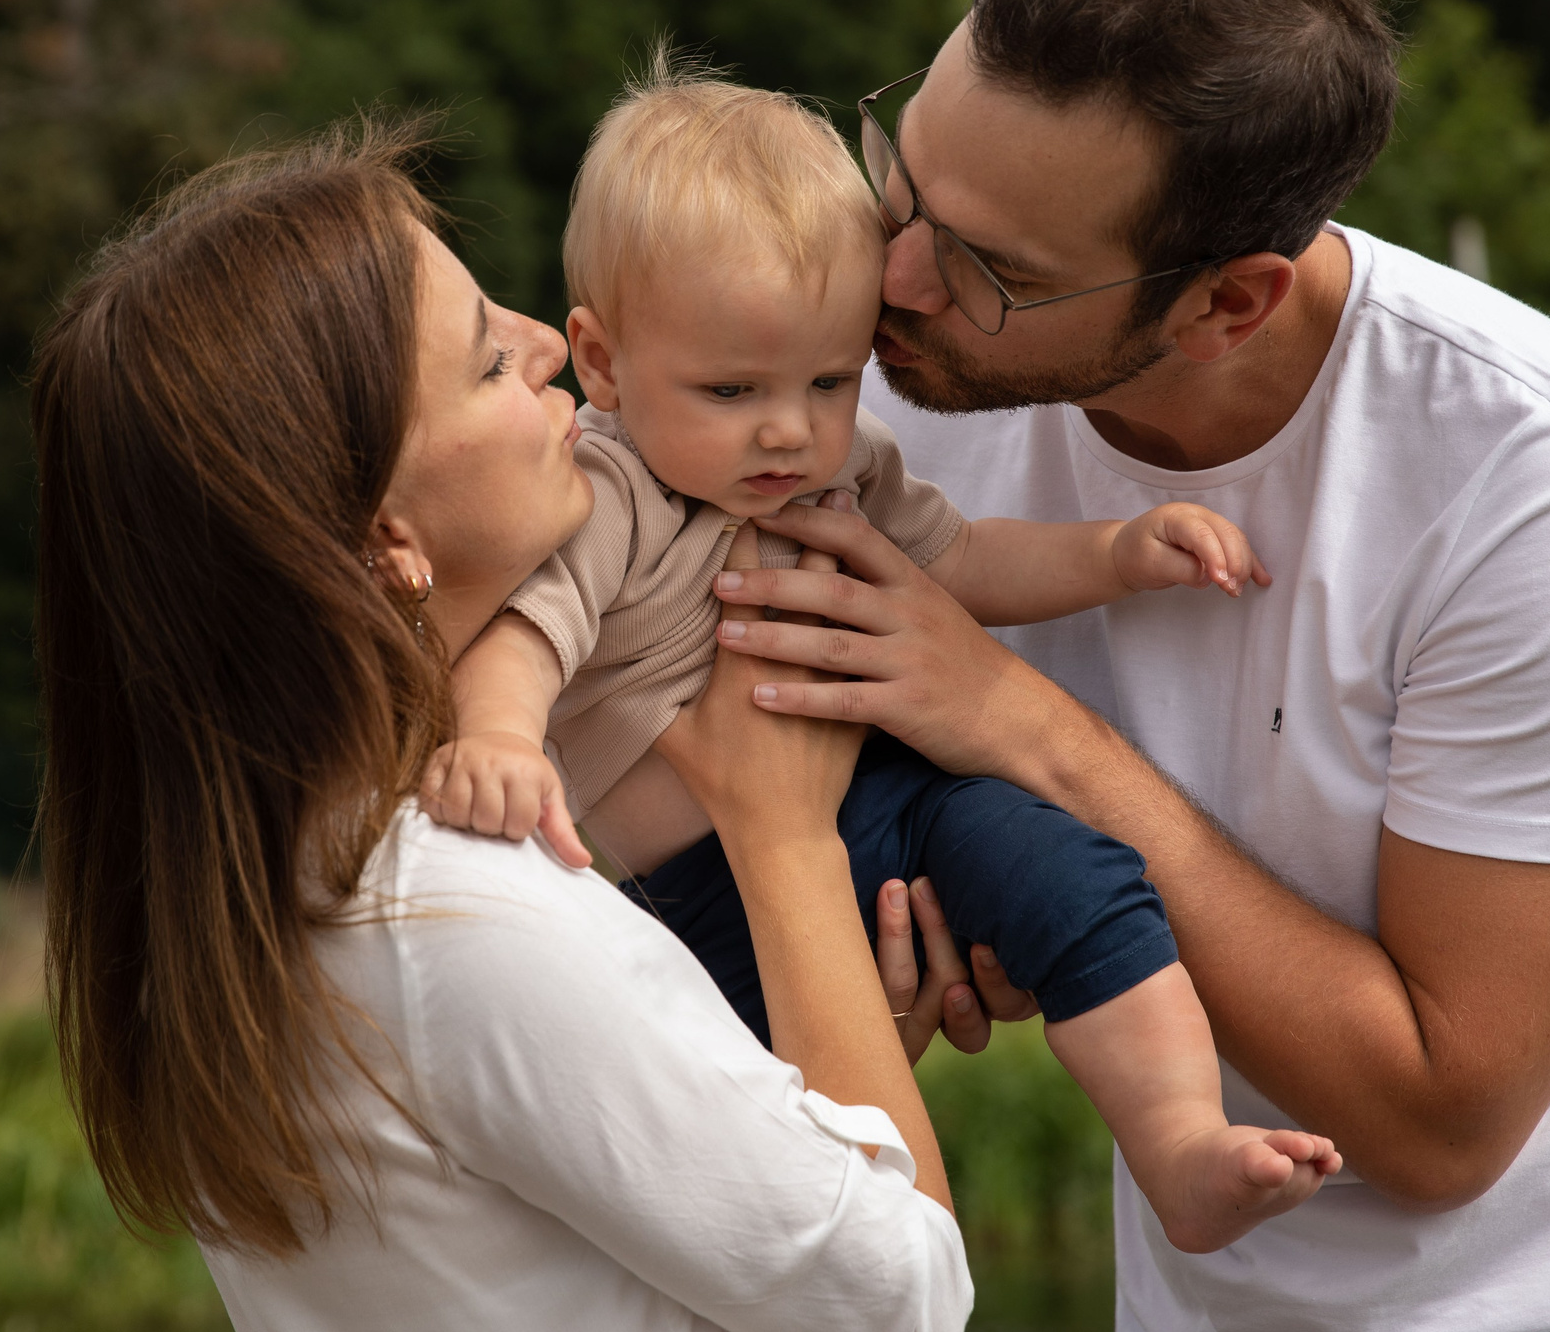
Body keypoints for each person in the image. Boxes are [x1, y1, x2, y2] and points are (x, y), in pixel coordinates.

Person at [705, 0, 1550, 1332]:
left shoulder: (1536, 471)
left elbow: (1445, 1117)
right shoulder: (895, 392)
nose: (894, 278)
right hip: (1203, 1309)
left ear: (1226, 304)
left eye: (989, 269)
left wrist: (1020, 726)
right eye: (897, 178)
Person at [29, 124, 972, 1332]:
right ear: (386, 544)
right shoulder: (461, 918)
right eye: (484, 361)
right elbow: (904, 1301)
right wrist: (785, 840)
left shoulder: (269, 885)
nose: (546, 345)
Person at [423, 63, 1339, 1253]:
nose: (787, 427)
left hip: (889, 806)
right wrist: (496, 736)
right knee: (737, 1134)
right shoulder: (603, 494)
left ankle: (1177, 1138)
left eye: (828, 378)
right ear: (601, 363)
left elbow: (960, 561)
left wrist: (1115, 552)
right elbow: (524, 637)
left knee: (1082, 881)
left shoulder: (837, 467)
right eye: (731, 388)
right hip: (684, 901)